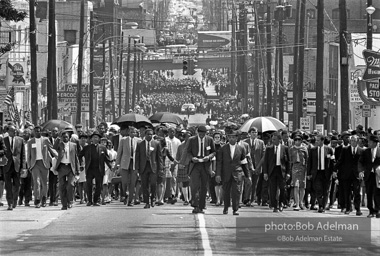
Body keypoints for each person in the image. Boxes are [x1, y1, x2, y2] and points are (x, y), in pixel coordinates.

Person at [216, 130, 250, 215]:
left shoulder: (241, 148)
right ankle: (226, 207)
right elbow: (219, 162)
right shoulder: (223, 148)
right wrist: (218, 174)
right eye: (230, 137)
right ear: (227, 138)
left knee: (236, 191)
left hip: (237, 173)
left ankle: (235, 209)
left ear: (236, 138)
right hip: (226, 173)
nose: (231, 139)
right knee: (226, 191)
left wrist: (247, 175)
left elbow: (244, 162)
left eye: (233, 137)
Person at [78, 131, 112, 207]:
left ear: (99, 139)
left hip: (99, 169)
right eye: (93, 137)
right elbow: (79, 155)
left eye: (96, 137)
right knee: (88, 184)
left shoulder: (103, 148)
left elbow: (107, 159)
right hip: (90, 168)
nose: (95, 138)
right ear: (91, 139)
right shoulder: (87, 148)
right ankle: (89, 200)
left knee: (99, 185)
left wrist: (111, 166)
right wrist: (81, 163)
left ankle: (96, 200)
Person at [27, 126, 58, 208]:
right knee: (36, 182)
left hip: (44, 163)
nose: (37, 132)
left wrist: (58, 158)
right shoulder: (30, 142)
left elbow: (52, 150)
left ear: (41, 132)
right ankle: (37, 200)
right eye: (36, 131)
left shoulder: (45, 140)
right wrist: (29, 165)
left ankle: (43, 199)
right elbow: (28, 155)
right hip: (35, 164)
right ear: (33, 132)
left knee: (45, 183)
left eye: (39, 131)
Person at [187, 125, 216, 214]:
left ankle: (201, 206)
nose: (201, 135)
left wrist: (209, 157)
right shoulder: (192, 140)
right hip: (195, 165)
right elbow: (188, 152)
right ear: (197, 132)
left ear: (206, 133)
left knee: (204, 187)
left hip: (205, 165)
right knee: (194, 186)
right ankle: (195, 205)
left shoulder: (210, 140)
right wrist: (192, 158)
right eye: (200, 133)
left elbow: (214, 152)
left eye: (203, 133)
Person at [333, 135, 363, 216]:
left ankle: (358, 209)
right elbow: (340, 160)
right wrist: (335, 169)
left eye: (354, 140)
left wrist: (362, 172)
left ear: (357, 141)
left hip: (356, 174)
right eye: (352, 140)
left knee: (357, 192)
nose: (353, 142)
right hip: (346, 174)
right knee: (347, 192)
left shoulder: (361, 150)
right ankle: (348, 208)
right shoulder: (345, 149)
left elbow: (363, 163)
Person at [135, 128, 163, 209]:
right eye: (148, 134)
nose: (149, 136)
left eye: (151, 134)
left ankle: (153, 198)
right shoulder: (140, 144)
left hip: (153, 167)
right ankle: (147, 202)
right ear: (145, 135)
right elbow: (137, 157)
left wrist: (160, 168)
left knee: (153, 184)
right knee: (145, 185)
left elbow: (159, 157)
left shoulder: (156, 143)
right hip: (143, 167)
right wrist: (137, 168)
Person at [263, 132, 290, 212]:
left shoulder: (285, 148)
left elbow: (288, 162)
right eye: (272, 139)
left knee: (282, 188)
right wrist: (265, 173)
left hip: (282, 171)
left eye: (274, 139)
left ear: (279, 139)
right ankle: (275, 206)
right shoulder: (269, 149)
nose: (273, 141)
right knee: (273, 189)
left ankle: (281, 203)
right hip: (272, 170)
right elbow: (266, 162)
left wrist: (288, 173)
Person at [307, 134, 334, 213]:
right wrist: (308, 173)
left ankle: (324, 205)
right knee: (318, 189)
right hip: (316, 173)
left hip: (326, 173)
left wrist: (333, 172)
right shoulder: (312, 150)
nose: (316, 142)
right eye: (316, 140)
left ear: (322, 141)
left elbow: (332, 162)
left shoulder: (329, 149)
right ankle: (320, 205)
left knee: (326, 190)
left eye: (318, 140)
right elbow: (309, 162)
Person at [116, 127, 141, 206]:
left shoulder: (139, 141)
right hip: (125, 163)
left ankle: (131, 200)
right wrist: (117, 163)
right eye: (131, 132)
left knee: (133, 182)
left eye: (134, 132)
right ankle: (125, 194)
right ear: (128, 132)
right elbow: (119, 152)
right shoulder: (123, 140)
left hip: (134, 163)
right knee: (125, 181)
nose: (133, 133)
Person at [55, 131, 80, 210]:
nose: (65, 138)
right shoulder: (60, 144)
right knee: (61, 186)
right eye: (64, 137)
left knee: (70, 185)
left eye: (66, 137)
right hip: (62, 167)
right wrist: (58, 138)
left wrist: (78, 168)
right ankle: (64, 204)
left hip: (70, 167)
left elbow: (76, 157)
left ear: (69, 137)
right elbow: (54, 147)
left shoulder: (73, 145)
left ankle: (70, 201)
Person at [3, 124, 25, 210]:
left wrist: (23, 167)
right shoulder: (3, 140)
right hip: (7, 166)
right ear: (8, 132)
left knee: (17, 184)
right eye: (12, 130)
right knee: (8, 186)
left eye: (15, 130)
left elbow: (23, 154)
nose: (14, 131)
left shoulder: (20, 140)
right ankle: (10, 203)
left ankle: (15, 200)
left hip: (17, 166)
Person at [358, 134, 380, 218]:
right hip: (368, 175)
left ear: (375, 143)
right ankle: (371, 210)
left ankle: (377, 210)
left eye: (370, 142)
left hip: (377, 175)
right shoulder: (365, 152)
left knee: (377, 193)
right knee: (369, 193)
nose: (369, 143)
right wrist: (361, 171)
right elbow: (360, 162)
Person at [244, 127, 266, 207]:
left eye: (256, 132)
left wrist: (258, 166)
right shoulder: (245, 142)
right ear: (249, 133)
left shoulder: (261, 142)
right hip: (247, 166)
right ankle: (247, 199)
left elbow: (264, 155)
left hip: (257, 166)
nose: (254, 134)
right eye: (253, 132)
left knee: (255, 184)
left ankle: (252, 200)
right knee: (248, 182)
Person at [289, 135, 308, 211]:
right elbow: (290, 160)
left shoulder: (304, 148)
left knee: (302, 186)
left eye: (299, 140)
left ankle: (301, 202)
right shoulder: (291, 149)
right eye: (296, 140)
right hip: (294, 167)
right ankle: (296, 204)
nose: (297, 141)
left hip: (302, 167)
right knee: (296, 185)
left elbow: (307, 159)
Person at [18, 129, 32, 207]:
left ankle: (27, 200)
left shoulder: (31, 142)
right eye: (24, 133)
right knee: (21, 183)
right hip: (22, 165)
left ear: (29, 134)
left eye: (26, 133)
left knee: (28, 184)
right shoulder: (21, 142)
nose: (24, 134)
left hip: (29, 165)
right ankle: (20, 198)